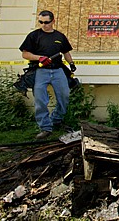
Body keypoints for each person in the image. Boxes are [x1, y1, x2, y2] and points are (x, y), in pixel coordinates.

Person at [19, 10, 77, 139]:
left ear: (53, 21)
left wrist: (71, 63)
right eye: (41, 22)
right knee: (40, 99)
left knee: (64, 96)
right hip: (40, 71)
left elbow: (66, 52)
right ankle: (45, 128)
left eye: (46, 22)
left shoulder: (60, 36)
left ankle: (56, 119)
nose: (44, 25)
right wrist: (39, 58)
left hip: (58, 70)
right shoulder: (33, 36)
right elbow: (25, 54)